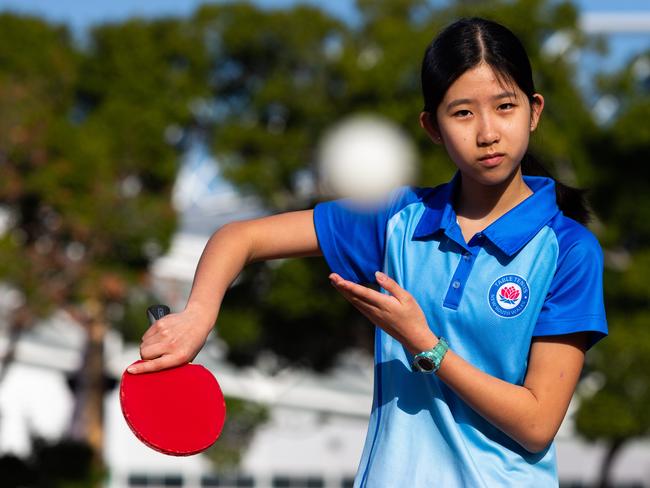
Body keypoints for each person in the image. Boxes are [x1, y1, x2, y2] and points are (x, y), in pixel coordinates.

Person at [129, 17, 607, 487]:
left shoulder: (568, 250)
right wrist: (198, 315)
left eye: (505, 107)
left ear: (534, 110)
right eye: (462, 112)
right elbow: (240, 238)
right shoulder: (396, 218)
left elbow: (539, 422)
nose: (487, 132)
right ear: (432, 126)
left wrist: (425, 344)